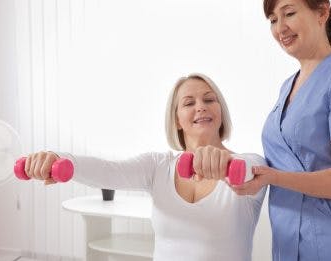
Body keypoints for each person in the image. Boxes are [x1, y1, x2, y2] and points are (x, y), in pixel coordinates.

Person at [192, 1, 331, 260]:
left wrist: (271, 177)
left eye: (289, 13)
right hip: (290, 240)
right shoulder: (288, 86)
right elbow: (285, 158)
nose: (280, 27)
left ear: (322, 12)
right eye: (272, 19)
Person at [24, 73, 267, 261]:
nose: (200, 106)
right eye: (189, 103)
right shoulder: (158, 166)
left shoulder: (250, 164)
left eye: (209, 99)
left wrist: (223, 163)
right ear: (176, 120)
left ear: (220, 112)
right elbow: (109, 171)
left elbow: (248, 170)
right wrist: (58, 158)